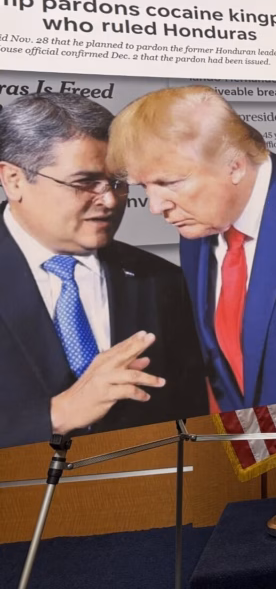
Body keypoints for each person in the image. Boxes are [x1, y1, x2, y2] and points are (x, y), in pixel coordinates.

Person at [107, 86, 276, 411]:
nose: (155, 207)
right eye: (145, 186)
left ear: (235, 166)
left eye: (169, 183)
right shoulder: (198, 224)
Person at [0, 94, 206, 449]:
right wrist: (56, 415)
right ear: (14, 179)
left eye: (117, 183)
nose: (109, 200)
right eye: (84, 182)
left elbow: (191, 413)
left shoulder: (164, 282)